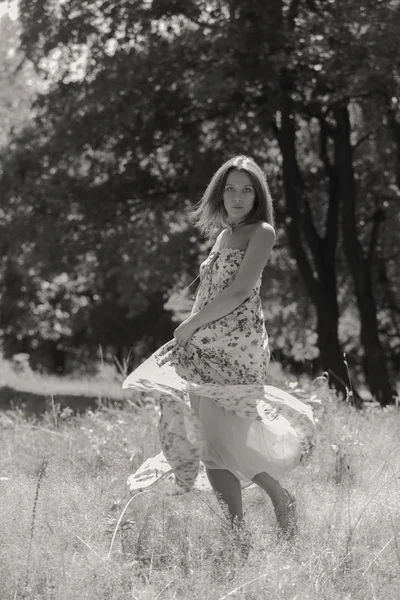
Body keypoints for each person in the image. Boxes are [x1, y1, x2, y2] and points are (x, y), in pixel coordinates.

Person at [123, 155, 316, 548]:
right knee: (208, 442)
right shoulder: (225, 234)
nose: (237, 197)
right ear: (219, 193)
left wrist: (192, 325)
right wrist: (186, 336)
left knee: (225, 435)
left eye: (247, 189)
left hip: (237, 346)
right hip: (203, 344)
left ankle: (282, 499)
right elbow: (209, 293)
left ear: (257, 194)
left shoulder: (261, 231)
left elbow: (241, 290)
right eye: (230, 188)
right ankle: (237, 536)